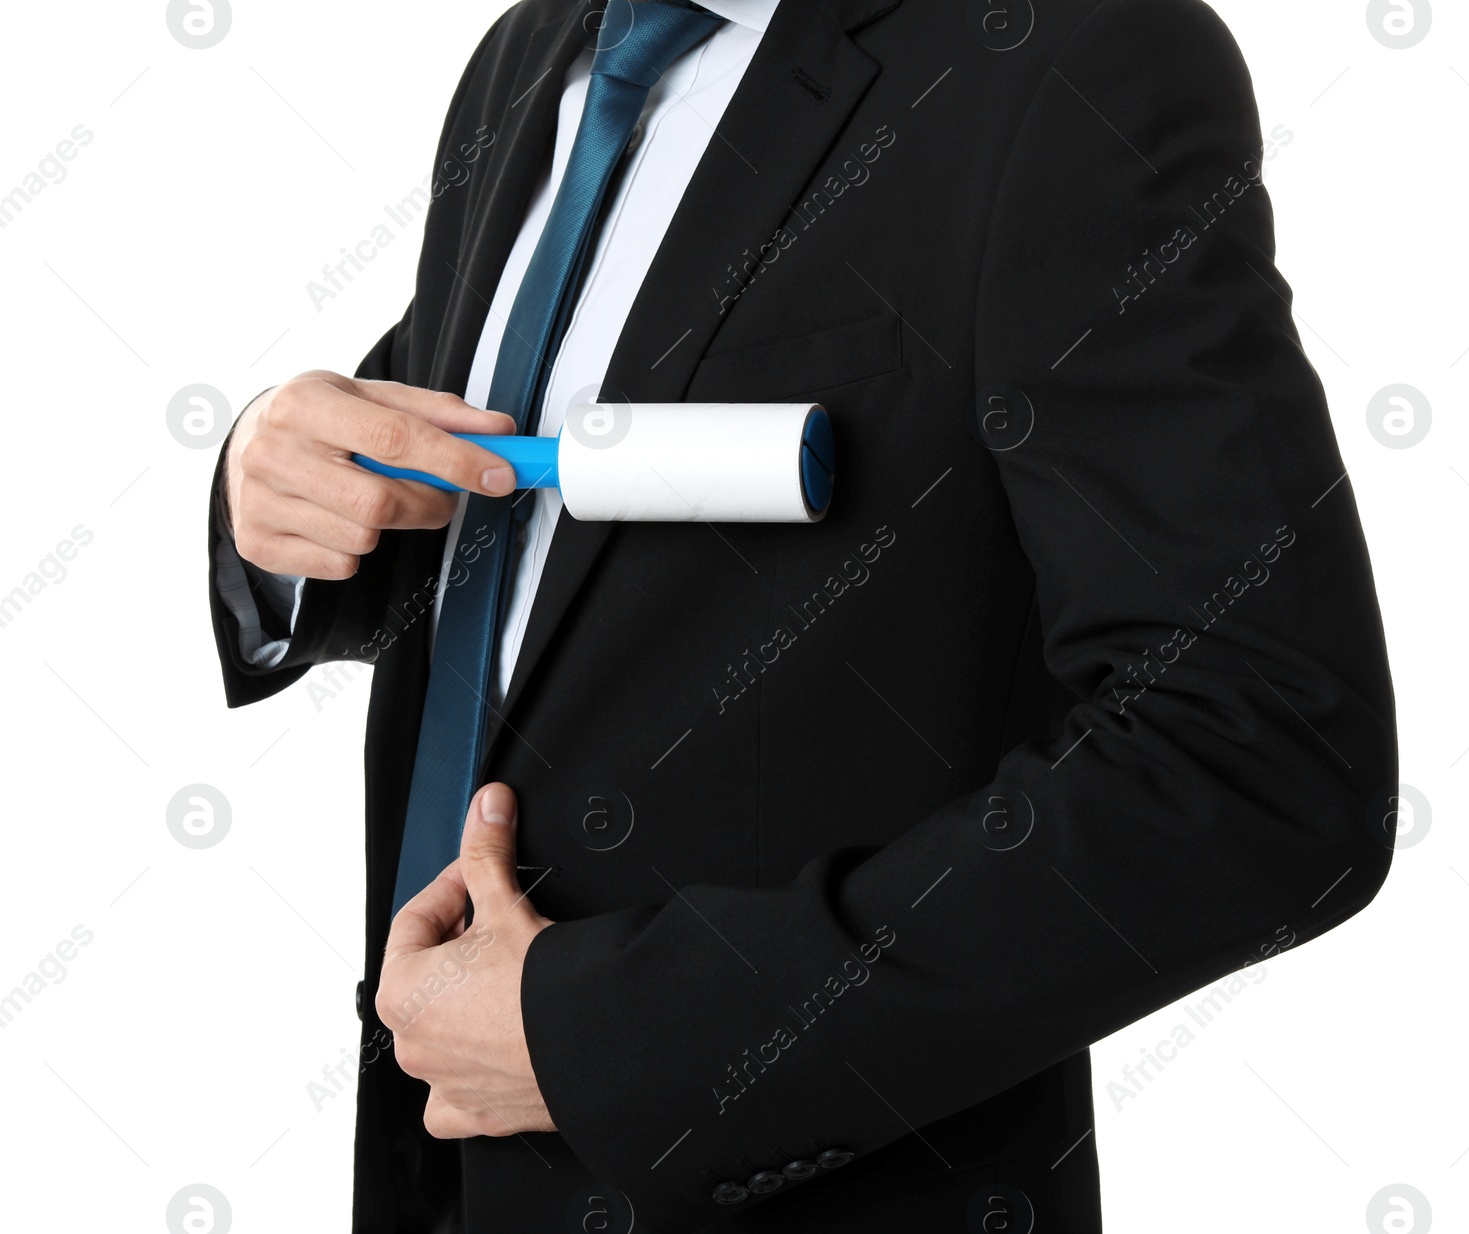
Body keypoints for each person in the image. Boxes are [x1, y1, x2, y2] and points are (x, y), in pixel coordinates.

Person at [207, 0, 1399, 1230]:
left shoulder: (1065, 58)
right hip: (433, 1163)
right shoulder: (531, 55)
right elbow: (518, 522)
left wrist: (623, 1038)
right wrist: (272, 487)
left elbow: (1263, 753)